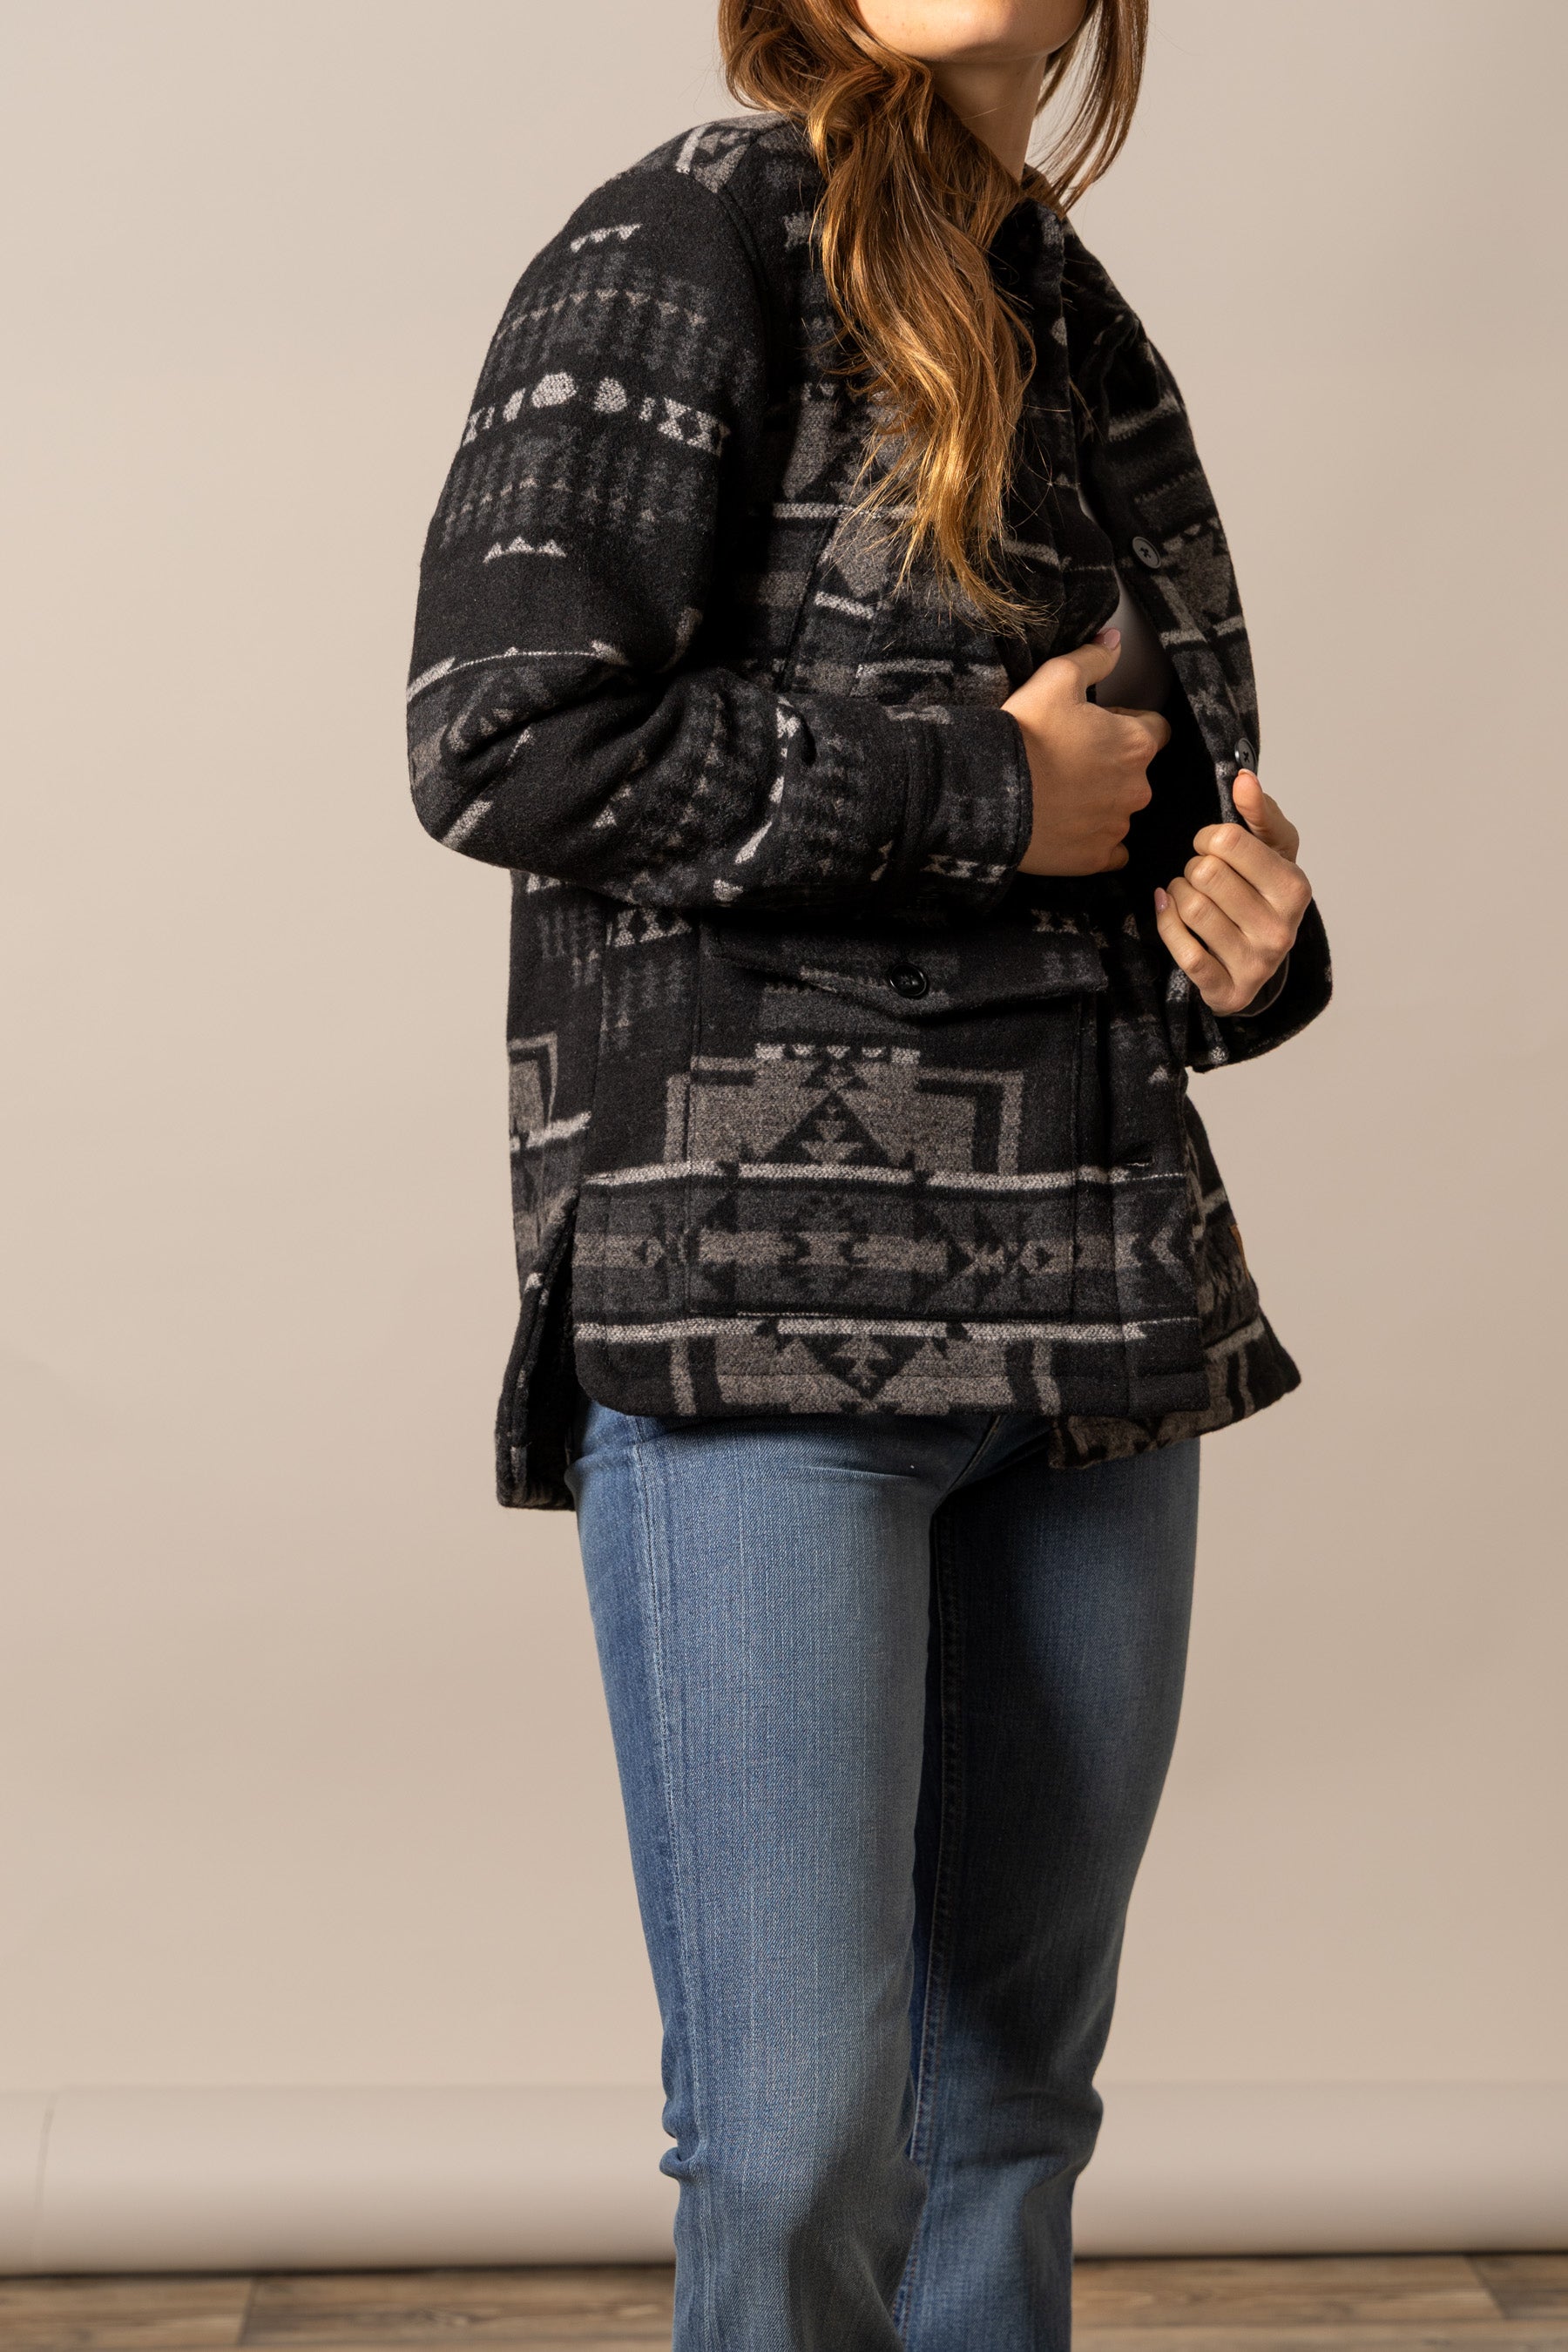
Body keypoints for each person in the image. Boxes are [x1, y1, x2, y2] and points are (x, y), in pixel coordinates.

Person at [406, 0, 1331, 2341]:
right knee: (803, 2135)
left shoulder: (1080, 325)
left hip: (1092, 1336)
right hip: (759, 1336)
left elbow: (1151, 804)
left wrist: (1249, 936)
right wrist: (978, 792)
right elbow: (501, 734)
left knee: (1009, 2112)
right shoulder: (684, 241)